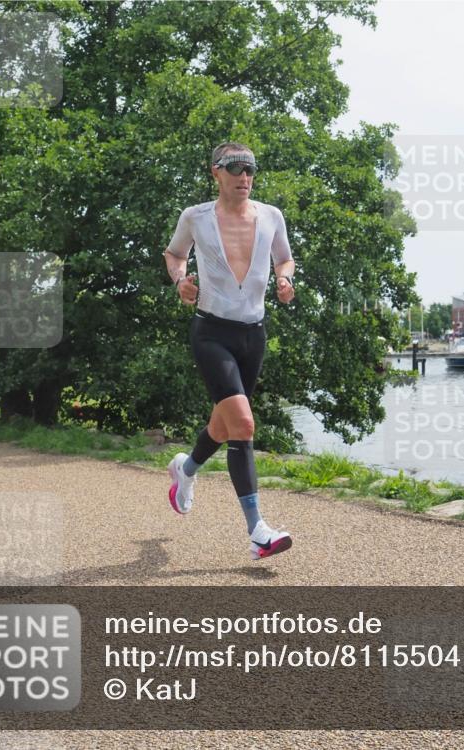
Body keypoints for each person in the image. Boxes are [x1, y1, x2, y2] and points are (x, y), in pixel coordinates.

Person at [163, 142, 296, 561]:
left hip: (252, 335)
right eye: (236, 168)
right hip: (212, 332)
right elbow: (174, 254)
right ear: (216, 173)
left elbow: (285, 260)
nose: (245, 176)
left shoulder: (271, 216)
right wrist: (180, 280)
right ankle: (258, 532)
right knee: (243, 424)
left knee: (224, 426)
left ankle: (185, 470)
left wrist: (286, 281)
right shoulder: (195, 217)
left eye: (251, 169)